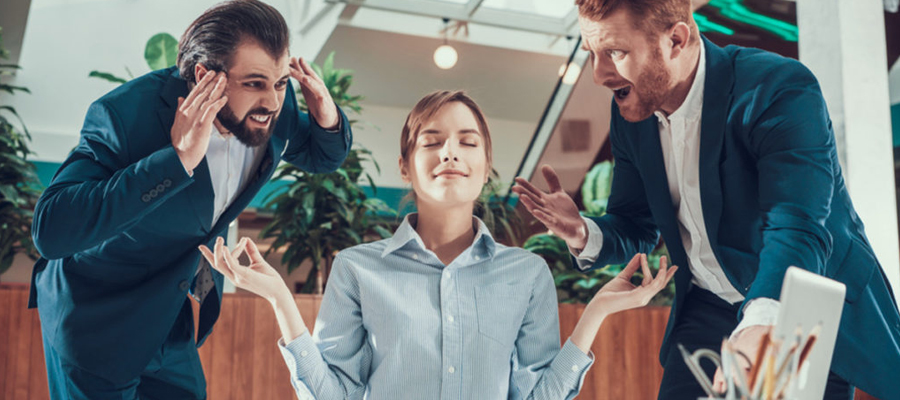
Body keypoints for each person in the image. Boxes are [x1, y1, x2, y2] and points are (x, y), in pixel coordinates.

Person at [511, 0, 900, 399]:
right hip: (708, 306)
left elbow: (797, 225)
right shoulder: (631, 114)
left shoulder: (777, 88)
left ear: (676, 40)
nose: (598, 75)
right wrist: (583, 232)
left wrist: (763, 321)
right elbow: (635, 224)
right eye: (591, 53)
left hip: (801, 304)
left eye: (615, 52)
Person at [200, 90, 677, 399]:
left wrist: (594, 313)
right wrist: (282, 299)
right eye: (432, 140)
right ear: (406, 165)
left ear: (486, 165)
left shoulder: (528, 273)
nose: (450, 151)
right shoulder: (355, 269)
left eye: (468, 142)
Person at [28, 1, 352, 398]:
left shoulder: (272, 109)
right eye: (254, 83)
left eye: (281, 82)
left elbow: (323, 155)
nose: (272, 100)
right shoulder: (127, 114)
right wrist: (175, 161)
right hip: (96, 319)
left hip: (169, 316)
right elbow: (52, 230)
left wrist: (327, 117)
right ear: (204, 76)